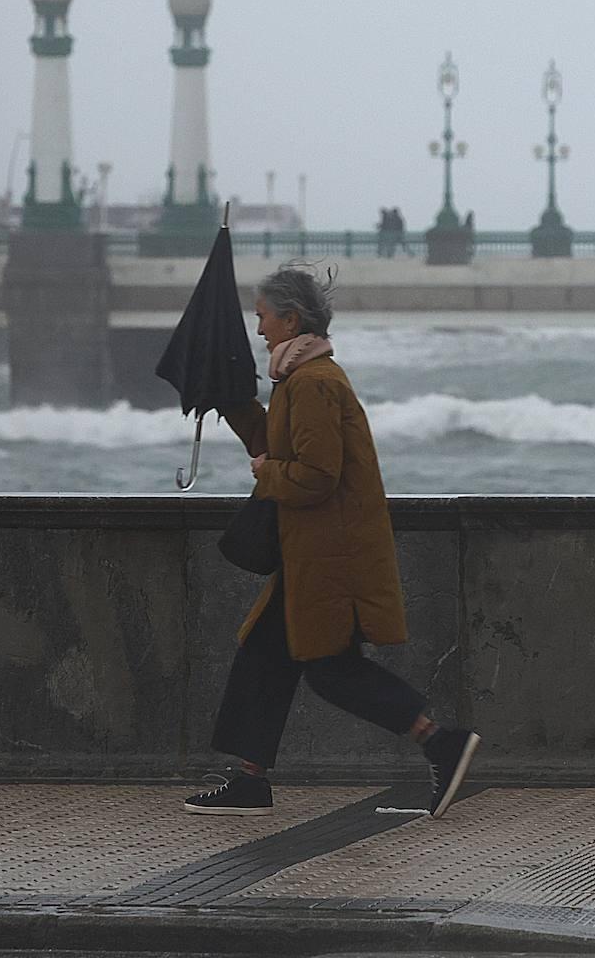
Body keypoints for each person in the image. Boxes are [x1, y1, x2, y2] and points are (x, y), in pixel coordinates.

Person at [184, 265, 480, 819]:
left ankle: (439, 739)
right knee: (263, 656)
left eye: (264, 317)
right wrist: (229, 401)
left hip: (329, 557)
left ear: (291, 319)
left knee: (330, 669)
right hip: (309, 555)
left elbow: (316, 475)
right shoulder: (298, 379)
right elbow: (278, 442)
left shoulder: (316, 383)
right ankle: (250, 778)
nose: (258, 328)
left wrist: (265, 473)